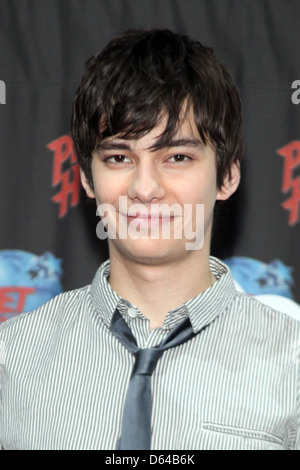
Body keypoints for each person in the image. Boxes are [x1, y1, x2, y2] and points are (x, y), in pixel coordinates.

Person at [0, 28, 299, 451]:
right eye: (119, 157)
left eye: (177, 157)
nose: (144, 187)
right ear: (87, 176)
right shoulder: (13, 358)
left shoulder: (292, 364)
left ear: (228, 175)